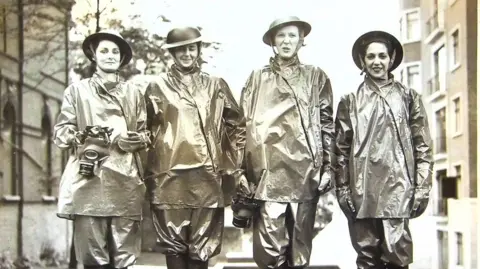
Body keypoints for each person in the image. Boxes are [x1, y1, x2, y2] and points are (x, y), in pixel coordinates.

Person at [234, 16, 335, 269]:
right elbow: (239, 127)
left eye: (292, 35)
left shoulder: (315, 77)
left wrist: (328, 167)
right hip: (267, 174)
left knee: (300, 251)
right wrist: (240, 171)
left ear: (302, 40)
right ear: (272, 42)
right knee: (269, 252)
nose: (286, 41)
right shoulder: (257, 78)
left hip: (306, 174)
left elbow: (326, 125)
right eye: (281, 36)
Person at [144, 26, 245, 269]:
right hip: (168, 178)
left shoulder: (215, 85)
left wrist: (232, 166)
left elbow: (237, 127)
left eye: (191, 48)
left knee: (202, 251)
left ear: (199, 50)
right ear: (172, 52)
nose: (187, 54)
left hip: (207, 178)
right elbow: (143, 129)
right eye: (181, 49)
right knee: (174, 249)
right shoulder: (156, 87)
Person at [334, 30, 434, 269]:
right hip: (362, 192)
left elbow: (423, 147)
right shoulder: (350, 101)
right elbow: (340, 149)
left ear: (391, 59)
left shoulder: (409, 97)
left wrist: (422, 187)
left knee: (397, 257)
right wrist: (343, 189)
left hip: (398, 190)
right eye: (370, 57)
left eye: (382, 56)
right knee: (366, 257)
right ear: (362, 61)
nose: (376, 62)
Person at [53, 29, 150, 269]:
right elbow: (61, 133)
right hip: (88, 182)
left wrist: (135, 139)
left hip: (125, 183)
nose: (110, 55)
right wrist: (83, 136)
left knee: (124, 260)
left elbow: (146, 133)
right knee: (92, 259)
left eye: (115, 51)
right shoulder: (76, 91)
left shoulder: (133, 93)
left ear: (122, 58)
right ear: (93, 55)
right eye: (104, 50)